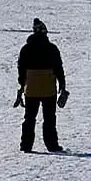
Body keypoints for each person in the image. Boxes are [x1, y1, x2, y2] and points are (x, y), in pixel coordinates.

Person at [17, 18, 66, 153]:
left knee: (29, 117)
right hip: (48, 87)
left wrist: (22, 85)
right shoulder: (52, 48)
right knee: (49, 118)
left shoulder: (26, 49)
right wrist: (62, 85)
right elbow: (58, 68)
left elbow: (21, 69)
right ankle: (52, 145)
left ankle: (26, 145)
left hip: (31, 87)